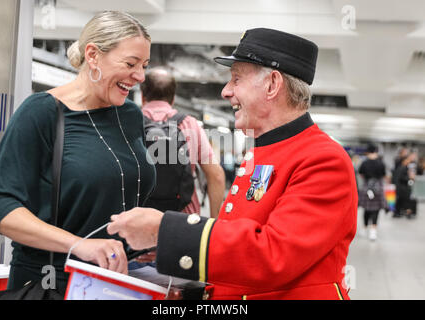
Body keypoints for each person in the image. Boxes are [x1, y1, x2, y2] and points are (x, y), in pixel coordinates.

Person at [107, 28, 358, 300]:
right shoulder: (263, 151)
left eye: (236, 79)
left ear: (272, 85)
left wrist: (163, 230)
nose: (226, 91)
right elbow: (240, 246)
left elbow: (273, 255)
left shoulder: (324, 159)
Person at [0, 11, 154, 293]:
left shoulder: (129, 115)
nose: (140, 76)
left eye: (144, 65)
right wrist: (78, 244)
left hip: (115, 280)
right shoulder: (42, 113)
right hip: (50, 283)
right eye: (131, 63)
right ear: (93, 55)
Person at [140, 67, 225, 218]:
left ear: (142, 96)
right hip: (183, 219)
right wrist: (214, 223)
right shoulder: (189, 124)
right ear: (173, 98)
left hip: (139, 220)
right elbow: (216, 175)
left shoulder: (130, 122)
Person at [358, 144, 387, 241]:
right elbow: (383, 175)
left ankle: (364, 228)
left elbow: (361, 173)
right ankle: (373, 231)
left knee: (366, 209)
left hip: (366, 186)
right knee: (376, 209)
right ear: (376, 151)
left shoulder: (364, 163)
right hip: (378, 186)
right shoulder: (381, 163)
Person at [394, 152, 418, 219]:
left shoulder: (404, 167)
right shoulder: (402, 168)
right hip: (403, 188)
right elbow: (401, 177)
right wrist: (410, 178)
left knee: (401, 201)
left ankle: (398, 212)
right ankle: (407, 213)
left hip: (402, 187)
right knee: (406, 201)